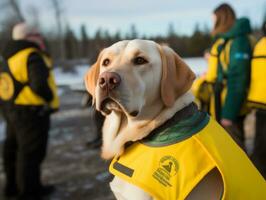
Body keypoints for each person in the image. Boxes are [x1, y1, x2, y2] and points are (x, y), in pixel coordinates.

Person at [0, 23, 59, 200]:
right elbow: (39, 84)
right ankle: (29, 194)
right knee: (30, 155)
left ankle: (13, 188)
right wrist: (48, 99)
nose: (41, 38)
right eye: (38, 35)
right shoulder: (31, 55)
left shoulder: (7, 57)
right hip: (32, 113)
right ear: (30, 37)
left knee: (13, 150)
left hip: (11, 109)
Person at [193, 3, 253, 149]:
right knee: (224, 148)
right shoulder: (225, 40)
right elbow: (224, 67)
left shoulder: (239, 42)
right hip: (219, 103)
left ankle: (242, 172)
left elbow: (238, 77)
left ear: (221, 18)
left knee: (235, 149)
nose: (212, 23)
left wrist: (229, 114)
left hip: (229, 107)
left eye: (214, 19)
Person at [248, 21, 266, 178]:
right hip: (261, 103)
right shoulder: (258, 43)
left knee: (260, 146)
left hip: (259, 103)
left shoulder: (260, 43)